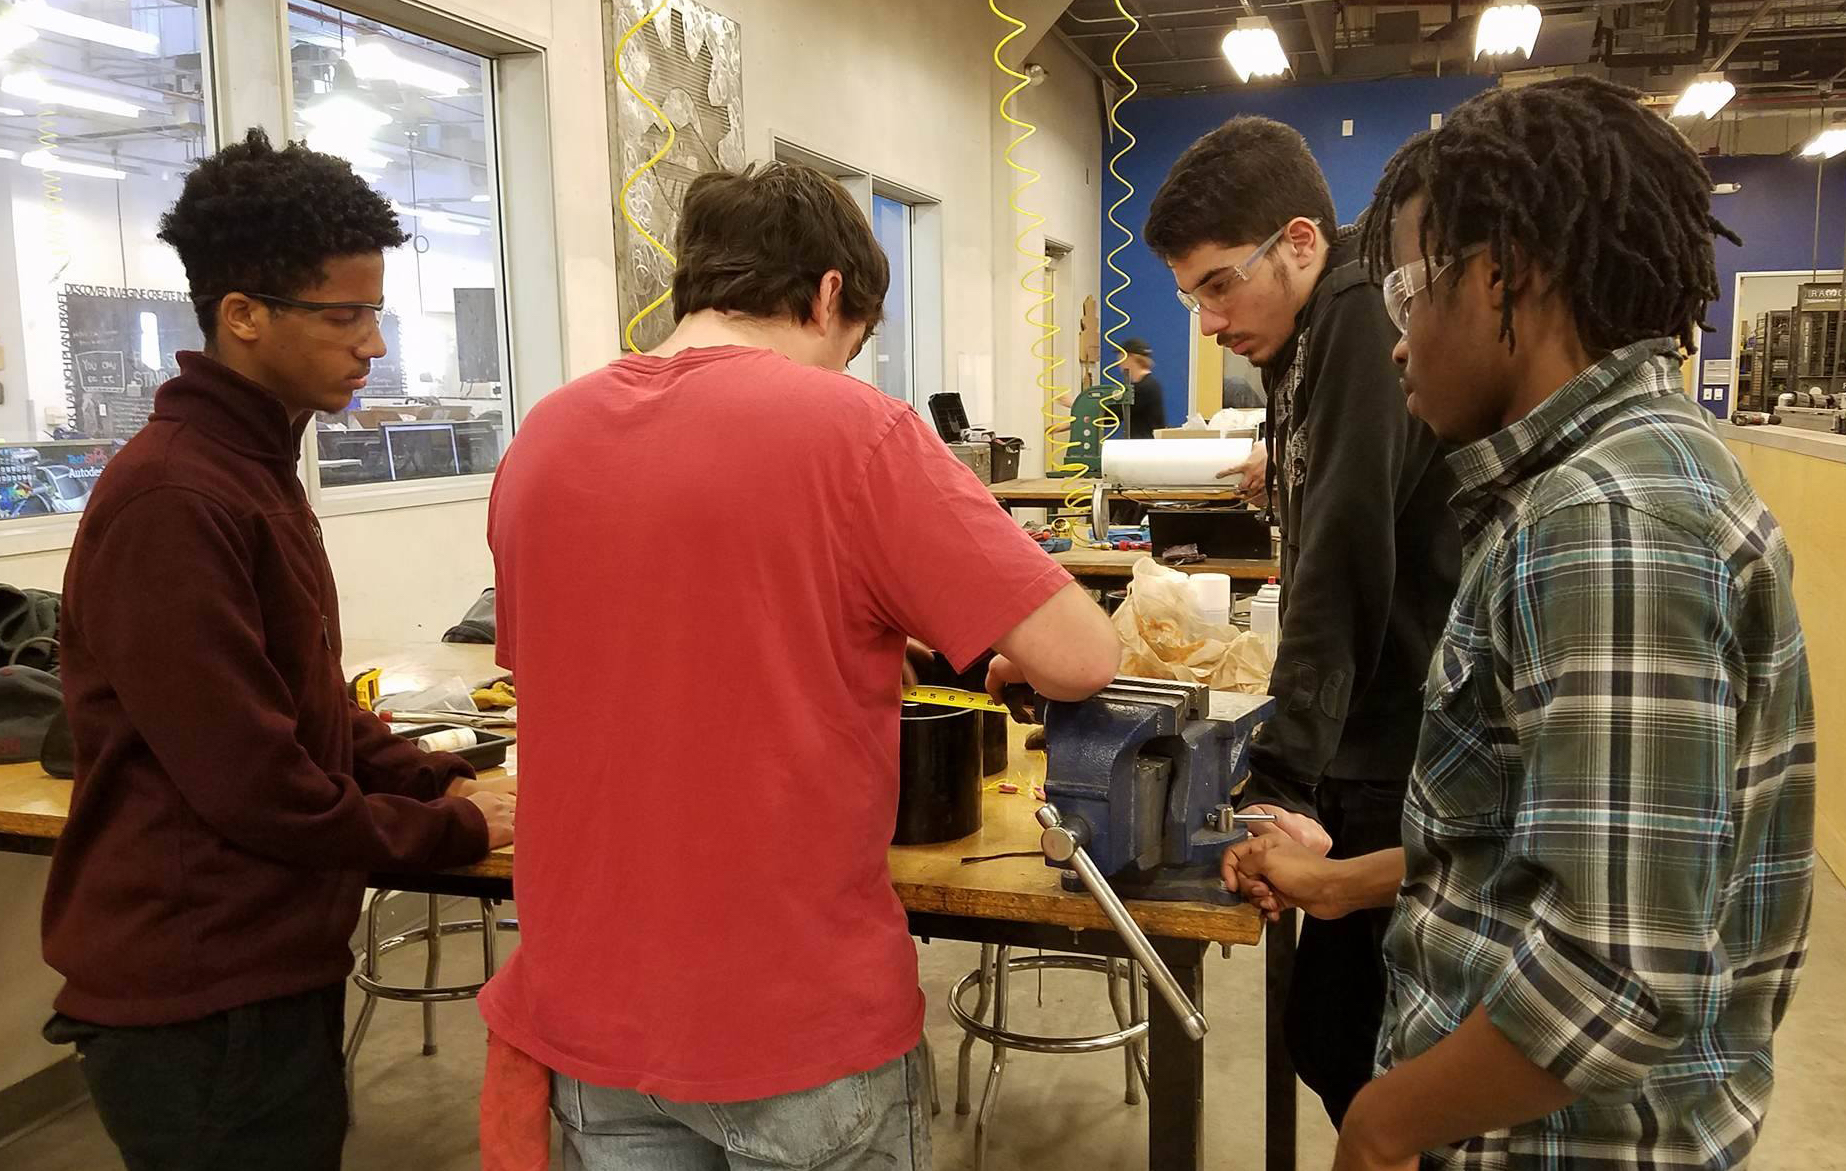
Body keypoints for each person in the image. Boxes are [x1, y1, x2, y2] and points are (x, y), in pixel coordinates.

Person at [1226, 77, 1815, 1170]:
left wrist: (1380, 1120)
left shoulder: (1606, 525)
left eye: (1410, 292)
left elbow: (1616, 973)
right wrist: (1344, 880)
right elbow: (1531, 839)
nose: (1396, 342)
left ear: (1504, 277)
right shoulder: (1597, 483)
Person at [481, 162, 1120, 1169]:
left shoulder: (541, 440)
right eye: (854, 344)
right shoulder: (854, 431)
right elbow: (1082, 655)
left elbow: (629, 662)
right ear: (830, 294)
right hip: (791, 1020)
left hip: (591, 1015)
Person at [38, 128, 515, 1170]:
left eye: (374, 313)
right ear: (243, 315)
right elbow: (255, 784)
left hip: (260, 963)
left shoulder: (249, 467)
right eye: (344, 316)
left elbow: (304, 704)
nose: (372, 345)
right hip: (200, 984)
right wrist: (452, 834)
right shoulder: (176, 495)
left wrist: (436, 776)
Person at [1143, 115, 1462, 1125]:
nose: (1205, 320)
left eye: (1218, 284)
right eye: (1190, 295)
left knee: (1362, 1048)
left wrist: (1279, 777)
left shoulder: (1361, 315)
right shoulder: (1315, 327)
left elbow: (1345, 560)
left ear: (1297, 241)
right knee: (1331, 1032)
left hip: (1399, 746)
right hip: (1369, 734)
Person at [1119, 337, 1167, 437]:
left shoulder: (1144, 388)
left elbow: (1116, 412)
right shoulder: (1150, 384)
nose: (1119, 362)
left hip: (1143, 448)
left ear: (1131, 358)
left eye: (1121, 356)